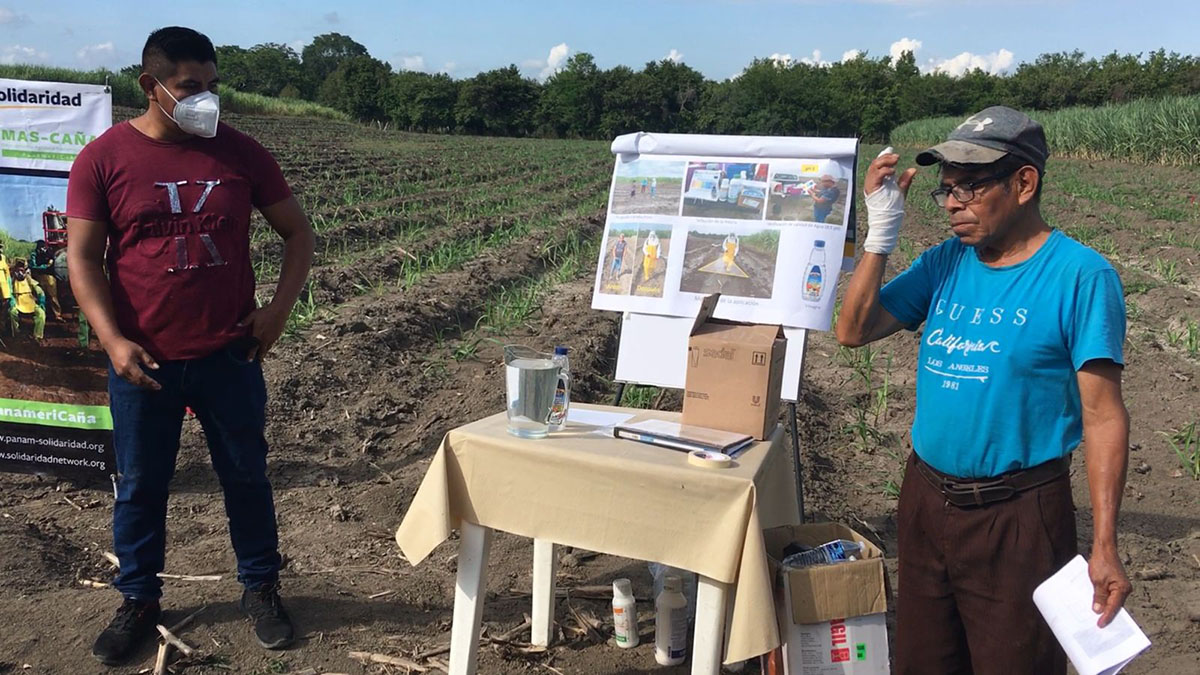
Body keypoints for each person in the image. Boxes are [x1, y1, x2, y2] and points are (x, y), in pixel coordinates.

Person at [836, 106, 1131, 674]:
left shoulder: (1080, 277)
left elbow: (1103, 417)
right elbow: (853, 331)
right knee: (926, 662)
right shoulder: (948, 261)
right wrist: (881, 233)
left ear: (1024, 183)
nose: (951, 203)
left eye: (969, 187)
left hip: (1018, 516)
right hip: (924, 501)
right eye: (946, 190)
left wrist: (1106, 543)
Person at [66, 27, 315, 665]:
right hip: (143, 361)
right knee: (141, 486)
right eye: (189, 88)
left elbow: (297, 233)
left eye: (212, 86)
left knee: (247, 478)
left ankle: (261, 588)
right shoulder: (104, 159)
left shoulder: (241, 154)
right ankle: (140, 601)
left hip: (229, 356)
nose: (205, 99)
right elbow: (84, 260)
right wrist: (113, 340)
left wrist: (277, 312)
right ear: (150, 87)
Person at [8, 259, 45, 340]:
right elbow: (9, 290)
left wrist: (41, 298)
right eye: (18, 269)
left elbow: (37, 288)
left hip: (30, 301)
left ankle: (38, 336)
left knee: (41, 313)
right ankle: (16, 333)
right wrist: (11, 299)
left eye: (22, 269)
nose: (20, 272)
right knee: (12, 312)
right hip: (17, 302)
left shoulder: (28, 278)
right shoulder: (12, 279)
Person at [29, 239, 62, 321]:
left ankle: (57, 315)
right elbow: (34, 266)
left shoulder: (49, 253)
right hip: (40, 277)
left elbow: (51, 263)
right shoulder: (35, 254)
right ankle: (42, 314)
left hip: (48, 277)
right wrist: (45, 266)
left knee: (52, 296)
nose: (42, 248)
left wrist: (43, 267)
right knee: (41, 296)